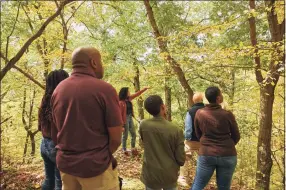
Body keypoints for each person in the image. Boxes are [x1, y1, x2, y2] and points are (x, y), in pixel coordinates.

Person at [51, 47, 123, 190]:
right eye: (101, 61)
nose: (102, 65)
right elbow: (116, 138)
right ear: (93, 63)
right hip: (96, 169)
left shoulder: (59, 89)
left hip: (66, 167)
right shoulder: (105, 89)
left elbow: (55, 133)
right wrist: (103, 157)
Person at [191, 86, 240, 190]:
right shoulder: (228, 115)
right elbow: (236, 136)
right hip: (228, 154)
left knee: (198, 185)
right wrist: (227, 145)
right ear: (218, 98)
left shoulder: (200, 113)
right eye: (221, 94)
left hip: (206, 154)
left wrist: (206, 144)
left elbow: (198, 133)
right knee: (224, 187)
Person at [139, 95, 185, 190]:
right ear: (163, 107)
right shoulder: (176, 130)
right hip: (169, 174)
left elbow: (145, 141)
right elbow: (181, 159)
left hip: (150, 173)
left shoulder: (143, 125)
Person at [38, 69, 69, 190]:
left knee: (49, 180)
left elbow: (40, 125)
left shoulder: (45, 99)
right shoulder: (59, 100)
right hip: (55, 145)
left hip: (44, 143)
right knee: (59, 182)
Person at [179, 93, 205, 184]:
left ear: (193, 100)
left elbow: (188, 127)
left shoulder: (190, 111)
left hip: (191, 140)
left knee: (185, 158)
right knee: (202, 160)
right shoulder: (207, 110)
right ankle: (200, 180)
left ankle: (183, 178)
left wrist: (187, 138)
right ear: (202, 100)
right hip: (204, 141)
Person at [119, 87, 148, 155]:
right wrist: (122, 125)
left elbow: (137, 94)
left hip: (130, 117)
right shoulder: (120, 102)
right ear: (125, 93)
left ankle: (133, 148)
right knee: (125, 135)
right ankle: (124, 149)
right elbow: (119, 114)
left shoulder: (129, 98)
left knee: (133, 134)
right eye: (128, 91)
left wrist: (144, 89)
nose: (129, 92)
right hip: (124, 119)